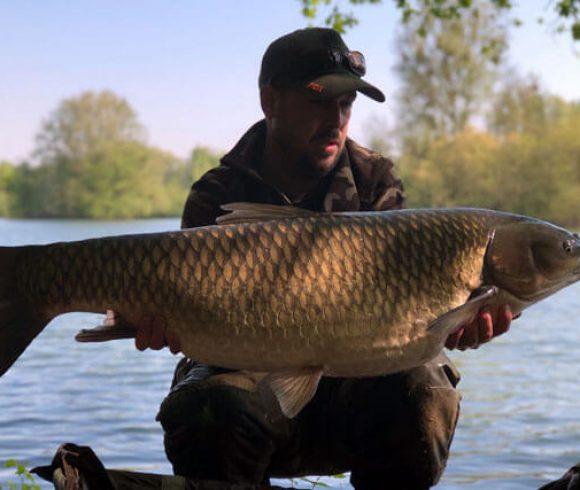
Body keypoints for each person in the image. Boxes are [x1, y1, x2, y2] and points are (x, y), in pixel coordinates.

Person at [134, 28, 514, 489]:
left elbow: (406, 320)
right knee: (211, 409)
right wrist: (160, 324)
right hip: (243, 385)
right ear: (270, 100)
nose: (336, 120)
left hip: (352, 384)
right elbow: (192, 325)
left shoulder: (374, 180)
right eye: (319, 101)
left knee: (424, 391)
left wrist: (454, 323)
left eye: (347, 104)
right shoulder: (217, 194)